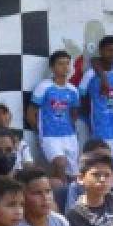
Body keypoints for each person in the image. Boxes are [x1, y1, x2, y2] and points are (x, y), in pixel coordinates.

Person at [28, 50, 81, 185]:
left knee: (73, 174)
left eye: (67, 64)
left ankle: (71, 199)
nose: (65, 67)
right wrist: (40, 132)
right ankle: (61, 198)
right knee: (60, 164)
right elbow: (30, 113)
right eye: (60, 64)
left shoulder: (73, 90)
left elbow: (74, 113)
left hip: (69, 136)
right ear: (52, 67)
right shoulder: (44, 87)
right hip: (50, 136)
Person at [79, 36, 113, 176]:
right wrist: (90, 118)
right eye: (109, 50)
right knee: (105, 166)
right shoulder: (90, 74)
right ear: (101, 51)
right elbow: (82, 96)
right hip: (101, 127)